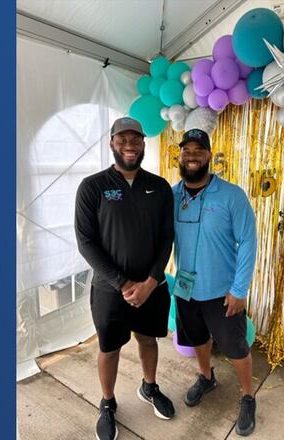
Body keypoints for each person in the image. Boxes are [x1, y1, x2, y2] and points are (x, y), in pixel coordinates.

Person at [74, 117, 175, 440]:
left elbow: (166, 238)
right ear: (112, 143)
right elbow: (86, 242)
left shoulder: (158, 187)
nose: (130, 146)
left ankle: (149, 387)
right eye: (123, 139)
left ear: (144, 143)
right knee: (110, 348)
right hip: (109, 289)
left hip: (152, 287)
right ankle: (107, 403)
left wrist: (149, 282)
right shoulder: (93, 187)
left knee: (148, 339)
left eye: (136, 139)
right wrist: (123, 284)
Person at [171, 128, 258, 436]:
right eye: (186, 150)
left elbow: (248, 240)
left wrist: (240, 289)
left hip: (222, 292)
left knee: (236, 348)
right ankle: (207, 377)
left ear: (209, 156)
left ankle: (248, 396)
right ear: (179, 155)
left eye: (198, 150)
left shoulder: (231, 195)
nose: (191, 155)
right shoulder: (172, 194)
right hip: (185, 289)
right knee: (197, 340)